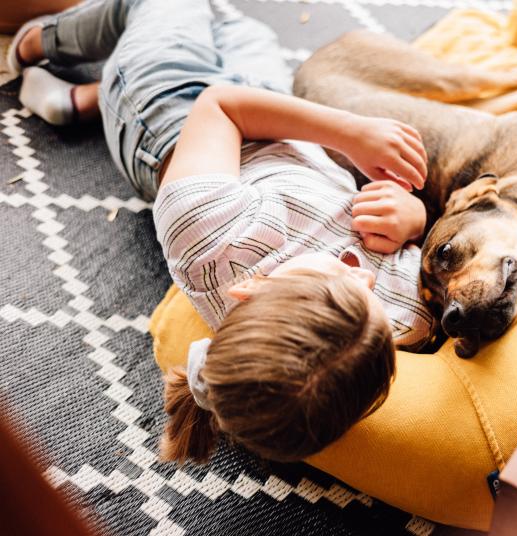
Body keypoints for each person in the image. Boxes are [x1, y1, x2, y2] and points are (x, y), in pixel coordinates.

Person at [8, 0, 435, 463]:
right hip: (282, 125)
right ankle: (85, 98)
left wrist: (352, 133)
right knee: (236, 24)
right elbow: (427, 243)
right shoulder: (405, 321)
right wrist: (413, 216)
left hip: (174, 117)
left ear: (251, 287)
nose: (365, 277)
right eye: (371, 300)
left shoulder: (210, 239)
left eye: (340, 278)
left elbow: (223, 107)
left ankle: (38, 44)